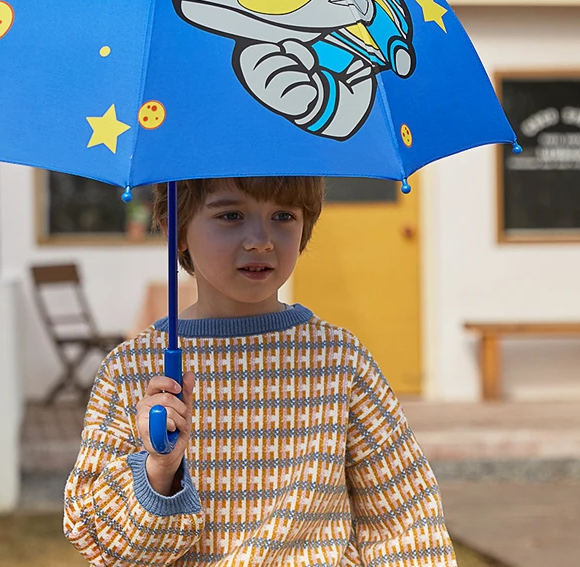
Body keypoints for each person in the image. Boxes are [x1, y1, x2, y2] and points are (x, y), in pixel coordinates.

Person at [64, 176, 456, 566]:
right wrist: (159, 471)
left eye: (283, 215)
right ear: (175, 229)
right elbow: (106, 547)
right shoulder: (131, 371)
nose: (261, 240)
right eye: (231, 215)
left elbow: (405, 520)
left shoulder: (338, 360)